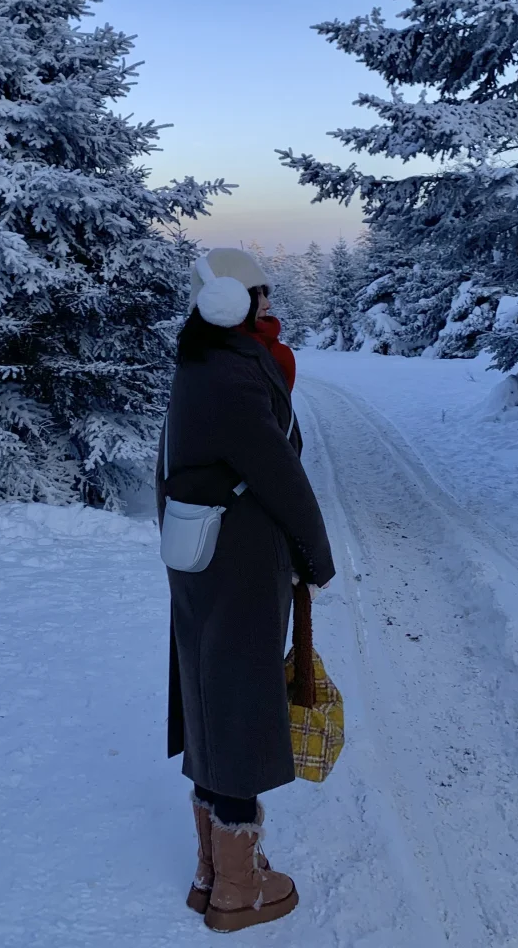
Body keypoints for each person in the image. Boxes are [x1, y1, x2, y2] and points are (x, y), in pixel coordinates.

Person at [155, 247, 335, 933]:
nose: (266, 302)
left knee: (211, 690)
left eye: (265, 289)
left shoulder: (204, 359)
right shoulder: (231, 371)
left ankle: (210, 869)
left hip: (205, 551)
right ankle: (239, 886)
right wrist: (316, 555)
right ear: (223, 301)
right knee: (237, 702)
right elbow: (278, 473)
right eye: (254, 293)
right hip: (238, 557)